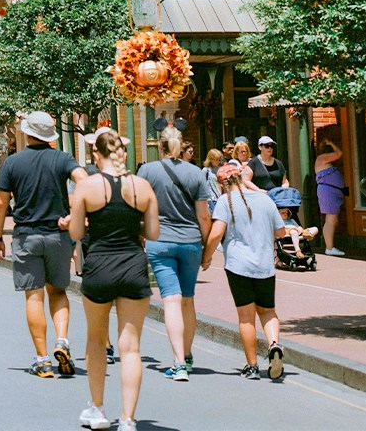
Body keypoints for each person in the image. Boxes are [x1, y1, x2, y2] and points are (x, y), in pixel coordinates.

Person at [70, 129, 158, 431]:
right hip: (133, 265)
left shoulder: (87, 186)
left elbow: (77, 234)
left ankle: (97, 410)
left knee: (96, 340)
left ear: (97, 154)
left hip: (99, 266)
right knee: (130, 346)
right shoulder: (142, 186)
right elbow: (154, 233)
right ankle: (128, 419)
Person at [0, 110, 89, 379]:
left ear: (26, 132)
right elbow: (85, 180)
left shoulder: (13, 163)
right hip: (57, 235)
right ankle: (62, 341)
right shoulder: (62, 158)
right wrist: (74, 215)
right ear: (50, 135)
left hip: (27, 235)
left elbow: (0, 203)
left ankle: (43, 359)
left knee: (34, 295)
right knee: (58, 292)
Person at [137, 126, 211, 382]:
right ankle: (187, 356)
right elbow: (203, 215)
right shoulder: (196, 173)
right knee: (188, 300)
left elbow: (140, 206)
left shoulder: (147, 171)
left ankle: (178, 362)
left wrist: (142, 234)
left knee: (170, 300)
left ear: (160, 147)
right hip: (191, 241)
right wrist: (206, 249)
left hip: (160, 241)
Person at [202, 163, 287, 381]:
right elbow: (281, 231)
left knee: (246, 317)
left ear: (222, 184)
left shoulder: (225, 201)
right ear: (241, 178)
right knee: (268, 311)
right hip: (265, 266)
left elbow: (216, 234)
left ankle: (251, 366)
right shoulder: (266, 200)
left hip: (238, 266)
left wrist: (206, 257)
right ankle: (274, 345)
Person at [313, 138, 348, 255]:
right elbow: (339, 153)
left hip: (332, 192)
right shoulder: (322, 158)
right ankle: (329, 247)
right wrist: (332, 143)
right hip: (328, 192)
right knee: (330, 220)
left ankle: (330, 246)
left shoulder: (324, 160)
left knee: (333, 220)